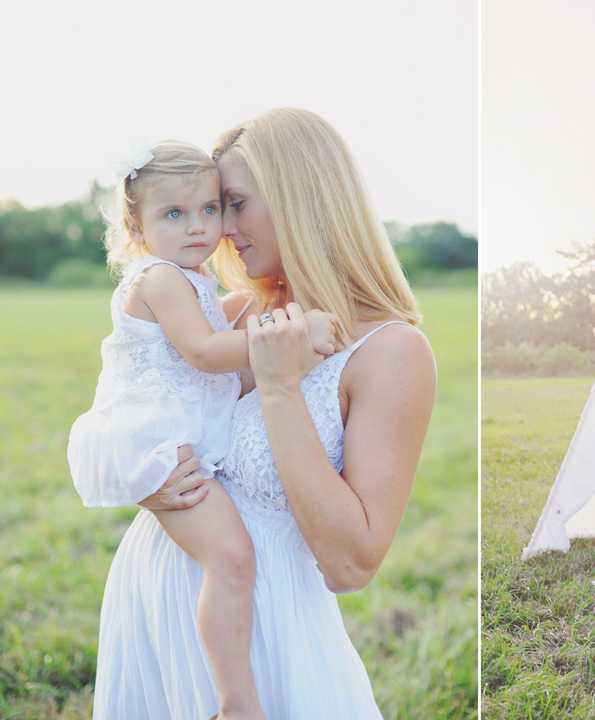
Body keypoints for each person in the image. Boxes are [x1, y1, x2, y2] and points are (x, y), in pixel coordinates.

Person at [91, 109, 436, 720]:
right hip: (157, 596)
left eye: (232, 203)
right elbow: (139, 408)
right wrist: (151, 482)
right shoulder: (235, 316)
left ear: (297, 201)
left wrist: (279, 389)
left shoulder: (392, 351)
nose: (220, 229)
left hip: (271, 632)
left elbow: (353, 564)